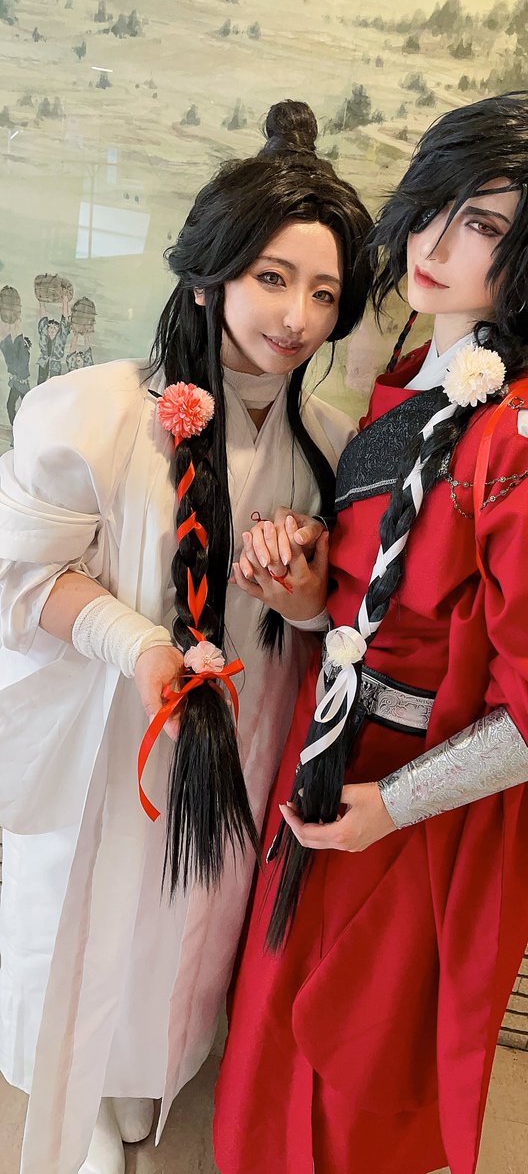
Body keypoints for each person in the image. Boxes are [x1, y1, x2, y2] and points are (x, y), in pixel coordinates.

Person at [213, 86, 528, 1174]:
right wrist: (306, 595)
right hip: (333, 751)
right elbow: (381, 599)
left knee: (356, 1056)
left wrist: (395, 806)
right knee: (279, 1018)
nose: (437, 243)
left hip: (411, 798)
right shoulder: (414, 382)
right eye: (439, 203)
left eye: (485, 224)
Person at [0, 101, 372, 1174]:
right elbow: (21, 578)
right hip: (111, 737)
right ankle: (75, 1095)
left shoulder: (333, 445)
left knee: (191, 921)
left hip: (240, 742)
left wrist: (305, 600)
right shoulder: (94, 413)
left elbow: (339, 626)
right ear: (210, 275)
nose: (296, 316)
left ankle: (143, 1078)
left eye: (323, 293)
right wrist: (137, 645)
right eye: (272, 277)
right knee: (86, 909)